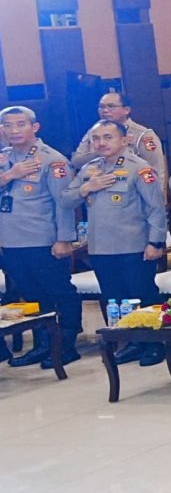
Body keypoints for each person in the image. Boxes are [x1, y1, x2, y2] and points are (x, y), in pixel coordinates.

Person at [74, 119, 168, 367]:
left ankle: (154, 344)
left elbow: (156, 209)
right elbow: (66, 199)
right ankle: (131, 342)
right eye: (96, 138)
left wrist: (156, 242)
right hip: (101, 248)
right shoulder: (90, 169)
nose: (101, 143)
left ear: (124, 140)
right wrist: (86, 188)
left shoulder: (140, 168)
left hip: (134, 245)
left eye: (108, 137)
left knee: (142, 295)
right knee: (114, 299)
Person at [0, 106, 82, 367]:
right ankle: (43, 344)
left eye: (20, 124)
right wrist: (10, 175)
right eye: (8, 125)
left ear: (34, 127)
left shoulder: (52, 160)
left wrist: (64, 238)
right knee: (31, 295)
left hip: (43, 239)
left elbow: (64, 203)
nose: (14, 130)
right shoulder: (4, 158)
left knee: (59, 292)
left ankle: (66, 345)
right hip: (11, 241)